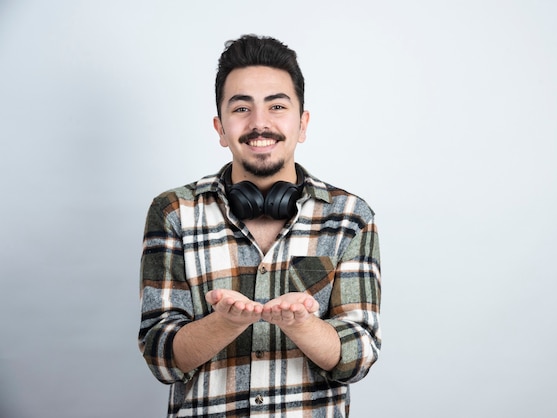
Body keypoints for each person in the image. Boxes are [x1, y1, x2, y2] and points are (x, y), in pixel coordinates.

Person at [138, 34, 381, 417]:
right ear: (220, 128)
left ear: (302, 123)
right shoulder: (173, 212)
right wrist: (225, 323)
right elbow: (160, 357)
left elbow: (359, 357)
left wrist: (302, 324)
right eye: (241, 109)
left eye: (277, 106)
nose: (260, 123)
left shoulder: (350, 216)